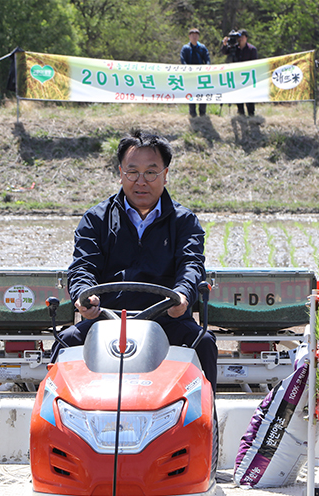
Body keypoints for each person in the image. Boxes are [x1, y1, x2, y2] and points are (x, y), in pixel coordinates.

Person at [59, 130, 218, 389]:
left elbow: (191, 265)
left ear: (165, 175)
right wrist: (84, 296)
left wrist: (182, 295)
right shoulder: (95, 219)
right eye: (132, 172)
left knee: (204, 342)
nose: (141, 181)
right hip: (106, 320)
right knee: (66, 341)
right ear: (121, 173)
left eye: (151, 172)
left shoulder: (184, 221)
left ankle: (206, 425)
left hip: (167, 319)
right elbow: (83, 266)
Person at [220, 29, 258, 116]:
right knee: (238, 94)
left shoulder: (252, 49)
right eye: (239, 37)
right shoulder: (234, 48)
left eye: (243, 37)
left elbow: (255, 63)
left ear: (246, 38)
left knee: (249, 96)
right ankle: (241, 112)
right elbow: (224, 52)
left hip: (247, 76)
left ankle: (251, 113)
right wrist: (225, 44)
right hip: (236, 76)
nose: (240, 39)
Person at [180, 28, 210, 118]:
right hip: (190, 75)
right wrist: (187, 69)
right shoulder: (185, 48)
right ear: (189, 36)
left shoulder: (202, 47)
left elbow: (207, 59)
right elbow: (182, 60)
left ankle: (202, 113)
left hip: (201, 75)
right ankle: (192, 113)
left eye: (196, 35)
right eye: (192, 35)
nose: (194, 37)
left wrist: (207, 67)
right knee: (191, 93)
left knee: (202, 93)